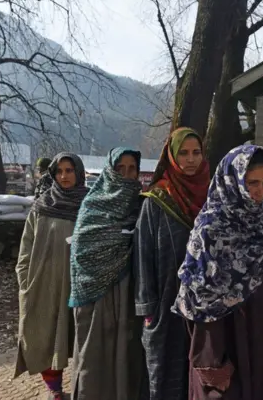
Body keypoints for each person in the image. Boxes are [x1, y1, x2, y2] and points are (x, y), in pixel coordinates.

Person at [172, 145, 263, 400]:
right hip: (229, 339)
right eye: (251, 182)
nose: (259, 191)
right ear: (233, 181)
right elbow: (200, 301)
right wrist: (212, 364)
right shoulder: (211, 230)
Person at [134, 127, 211, 400]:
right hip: (166, 305)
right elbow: (143, 256)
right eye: (184, 153)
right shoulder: (157, 201)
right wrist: (147, 309)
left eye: (196, 153)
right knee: (167, 374)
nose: (191, 160)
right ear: (172, 156)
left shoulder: (213, 198)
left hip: (206, 307)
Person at [69, 148, 148, 400]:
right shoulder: (93, 205)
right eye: (119, 169)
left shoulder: (143, 205)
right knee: (95, 359)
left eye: (131, 169)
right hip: (96, 301)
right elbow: (81, 248)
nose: (125, 174)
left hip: (128, 298)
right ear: (109, 170)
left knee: (127, 358)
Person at [14, 153, 88, 400]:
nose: (65, 176)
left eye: (70, 170)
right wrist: (25, 282)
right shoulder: (42, 206)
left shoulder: (89, 206)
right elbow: (26, 248)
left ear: (79, 172)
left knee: (78, 338)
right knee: (47, 336)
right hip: (44, 284)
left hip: (78, 285)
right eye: (60, 171)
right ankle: (54, 392)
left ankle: (82, 388)